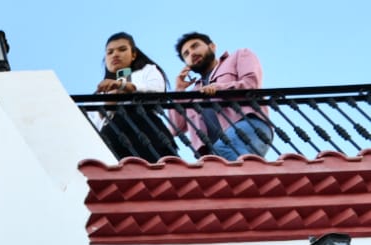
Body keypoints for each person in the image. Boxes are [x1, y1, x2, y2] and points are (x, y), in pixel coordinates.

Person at [168, 32, 271, 161]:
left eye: (195, 46)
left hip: (249, 124)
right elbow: (176, 128)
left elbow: (251, 84)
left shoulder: (239, 55)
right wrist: (179, 91)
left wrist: (219, 88)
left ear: (212, 47)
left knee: (224, 148)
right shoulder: (193, 93)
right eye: (186, 54)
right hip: (213, 149)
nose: (192, 54)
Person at [89, 32, 181, 162]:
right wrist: (107, 106)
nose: (115, 54)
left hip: (147, 130)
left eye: (122, 49)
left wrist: (124, 86)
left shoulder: (147, 70)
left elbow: (157, 89)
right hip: (112, 137)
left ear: (133, 55)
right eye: (110, 52)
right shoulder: (99, 93)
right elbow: (94, 125)